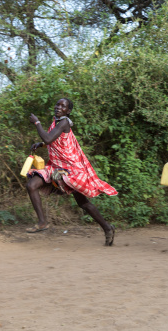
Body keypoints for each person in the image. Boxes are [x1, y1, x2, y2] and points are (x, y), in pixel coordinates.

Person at [25, 98, 118, 246]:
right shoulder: (56, 122)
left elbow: (49, 138)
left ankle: (107, 228)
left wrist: (37, 123)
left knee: (83, 203)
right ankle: (42, 222)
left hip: (70, 169)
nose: (59, 107)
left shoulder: (64, 122)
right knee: (31, 185)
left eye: (63, 106)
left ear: (68, 111)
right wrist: (41, 144)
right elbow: (56, 141)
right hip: (57, 166)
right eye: (57, 104)